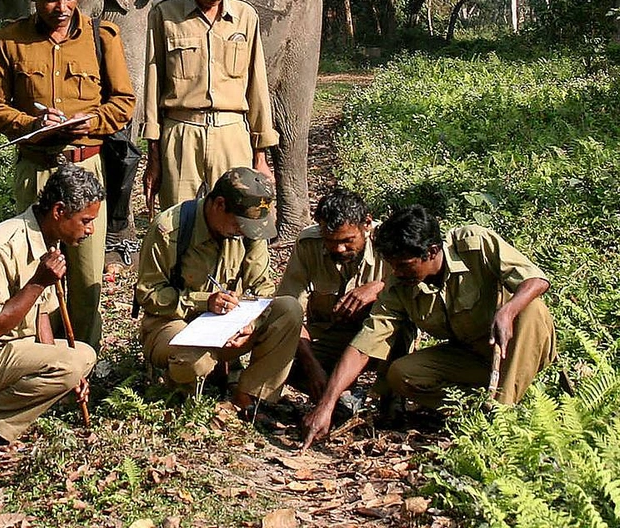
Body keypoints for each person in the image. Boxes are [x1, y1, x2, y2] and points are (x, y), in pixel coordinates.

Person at [302, 206, 556, 449]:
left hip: (516, 350)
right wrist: (327, 404)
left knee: (531, 309)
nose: (397, 272)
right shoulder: (399, 286)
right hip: (471, 357)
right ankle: (474, 411)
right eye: (393, 265)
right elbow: (365, 344)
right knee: (403, 373)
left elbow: (537, 280)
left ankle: (502, 418)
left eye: (404, 265)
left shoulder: (475, 244)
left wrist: (507, 311)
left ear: (432, 251)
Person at [0, 0, 135, 350]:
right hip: (37, 169)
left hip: (88, 171)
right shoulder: (10, 41)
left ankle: (83, 358)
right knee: (35, 267)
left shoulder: (103, 38)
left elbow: (123, 102)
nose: (63, 8)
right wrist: (32, 126)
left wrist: (92, 122)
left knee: (86, 275)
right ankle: (37, 357)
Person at [0, 163, 101, 448]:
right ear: (59, 212)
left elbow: (42, 318)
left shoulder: (50, 241)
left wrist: (66, 375)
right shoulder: (2, 245)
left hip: (6, 353)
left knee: (82, 355)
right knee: (73, 360)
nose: (91, 229)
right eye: (85, 220)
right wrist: (38, 282)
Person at [134, 167, 302, 413]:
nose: (245, 231)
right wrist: (203, 302)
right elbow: (148, 293)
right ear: (220, 205)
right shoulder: (170, 229)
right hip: (174, 324)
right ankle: (181, 395)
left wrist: (251, 324)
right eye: (240, 224)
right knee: (193, 360)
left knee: (289, 310)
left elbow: (263, 288)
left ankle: (247, 397)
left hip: (230, 326)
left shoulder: (249, 229)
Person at [142, 0, 279, 217]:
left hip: (232, 135)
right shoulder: (164, 15)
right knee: (178, 225)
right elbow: (153, 86)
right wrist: (153, 155)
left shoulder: (246, 18)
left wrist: (261, 156)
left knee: (240, 222)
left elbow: (257, 88)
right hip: (181, 134)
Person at [277, 188, 401, 404]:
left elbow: (415, 289)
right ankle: (341, 394)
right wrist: (311, 365)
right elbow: (289, 311)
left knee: (401, 359)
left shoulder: (390, 240)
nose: (339, 249)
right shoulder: (309, 244)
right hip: (331, 335)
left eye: (347, 240)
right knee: (281, 363)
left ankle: (388, 397)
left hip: (381, 336)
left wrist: (378, 287)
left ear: (367, 224)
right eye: (330, 241)